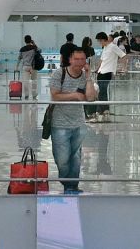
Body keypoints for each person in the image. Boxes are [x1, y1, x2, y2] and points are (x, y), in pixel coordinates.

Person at [49, 48, 97, 194]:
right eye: (77, 59)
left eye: (83, 60)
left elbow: (90, 98)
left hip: (78, 123)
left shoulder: (84, 76)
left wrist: (89, 77)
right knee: (62, 159)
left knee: (75, 157)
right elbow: (55, 96)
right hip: (60, 123)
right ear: (70, 60)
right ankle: (66, 182)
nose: (80, 63)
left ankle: (72, 187)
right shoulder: (59, 73)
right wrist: (75, 95)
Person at [94, 31, 126, 123]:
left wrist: (123, 68)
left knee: (102, 92)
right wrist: (97, 68)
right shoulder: (105, 48)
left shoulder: (113, 47)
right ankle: (104, 110)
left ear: (103, 39)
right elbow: (102, 60)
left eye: (100, 41)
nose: (100, 43)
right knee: (101, 92)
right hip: (101, 72)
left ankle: (101, 110)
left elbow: (123, 56)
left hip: (107, 72)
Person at [16, 35, 40, 100]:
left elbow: (19, 58)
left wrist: (17, 67)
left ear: (25, 41)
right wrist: (34, 44)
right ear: (31, 40)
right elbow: (40, 51)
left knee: (26, 81)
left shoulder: (22, 49)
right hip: (33, 67)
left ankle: (26, 94)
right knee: (34, 81)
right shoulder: (34, 48)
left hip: (25, 67)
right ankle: (34, 94)